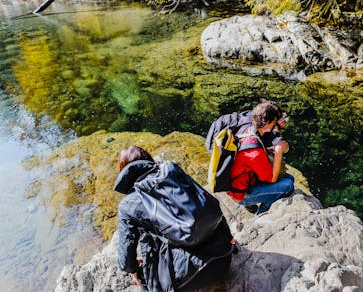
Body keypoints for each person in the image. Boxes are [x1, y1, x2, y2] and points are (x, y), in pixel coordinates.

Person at [114, 146, 234, 291]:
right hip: (223, 256)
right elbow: (207, 203)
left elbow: (126, 261)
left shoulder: (127, 205)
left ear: (124, 170)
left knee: (146, 279)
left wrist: (133, 269)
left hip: (186, 277)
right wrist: (228, 237)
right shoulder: (172, 171)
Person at [228, 101, 295, 214]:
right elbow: (272, 178)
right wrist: (278, 151)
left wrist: (269, 149)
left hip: (245, 179)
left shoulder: (248, 129)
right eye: (274, 122)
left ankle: (258, 203)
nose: (276, 124)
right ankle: (262, 212)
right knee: (288, 186)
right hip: (242, 194)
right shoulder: (254, 153)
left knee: (290, 178)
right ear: (267, 122)